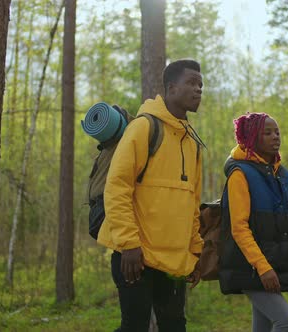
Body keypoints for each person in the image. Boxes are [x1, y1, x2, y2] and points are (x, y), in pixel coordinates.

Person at [97, 59, 205, 332]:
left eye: (201, 85)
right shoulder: (144, 127)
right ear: (171, 88)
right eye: (191, 83)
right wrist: (128, 244)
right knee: (134, 327)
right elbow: (117, 187)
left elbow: (191, 203)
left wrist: (194, 250)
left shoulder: (193, 143)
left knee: (174, 326)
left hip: (173, 261)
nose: (198, 89)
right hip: (136, 257)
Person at [219, 112, 288, 332]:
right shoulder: (240, 174)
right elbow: (239, 228)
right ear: (253, 137)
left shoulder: (282, 175)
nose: (275, 136)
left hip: (270, 266)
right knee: (287, 323)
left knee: (263, 327)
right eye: (268, 133)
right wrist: (263, 268)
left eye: (277, 132)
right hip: (250, 266)